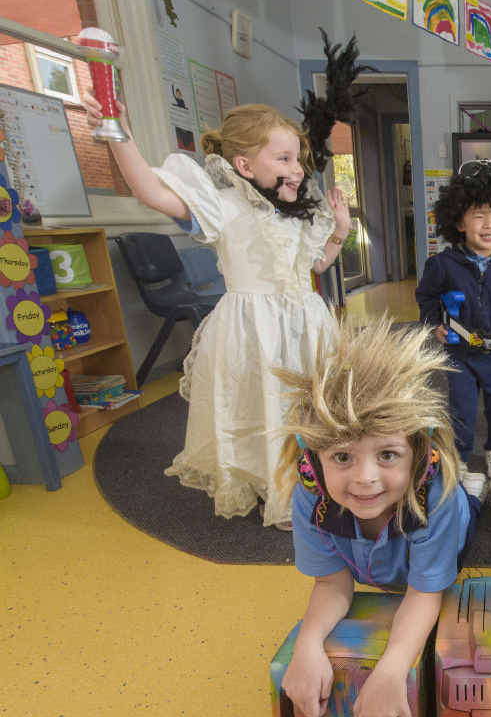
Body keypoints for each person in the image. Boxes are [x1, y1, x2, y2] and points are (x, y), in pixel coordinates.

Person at [82, 33, 366, 528]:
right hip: (252, 326)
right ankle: (268, 482)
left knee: (309, 406)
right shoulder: (224, 205)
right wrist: (117, 132)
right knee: (259, 404)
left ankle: (311, 475)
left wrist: (338, 234)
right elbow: (149, 191)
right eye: (283, 159)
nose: (297, 169)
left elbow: (316, 267)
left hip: (307, 322)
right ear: (243, 165)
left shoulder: (299, 213)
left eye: (297, 158)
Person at [274, 316, 482, 717]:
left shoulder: (436, 495)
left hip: (449, 520)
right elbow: (332, 584)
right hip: (382, 559)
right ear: (314, 460)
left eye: (387, 454)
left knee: (472, 506)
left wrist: (392, 671)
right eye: (342, 457)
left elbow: (424, 593)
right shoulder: (310, 495)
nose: (365, 479)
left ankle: (489, 482)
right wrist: (308, 644)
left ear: (419, 456)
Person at [415, 159, 491, 491]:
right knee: (462, 411)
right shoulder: (441, 266)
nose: (489, 224)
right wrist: (432, 323)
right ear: (459, 221)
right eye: (479, 215)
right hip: (460, 355)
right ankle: (461, 458)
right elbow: (426, 296)